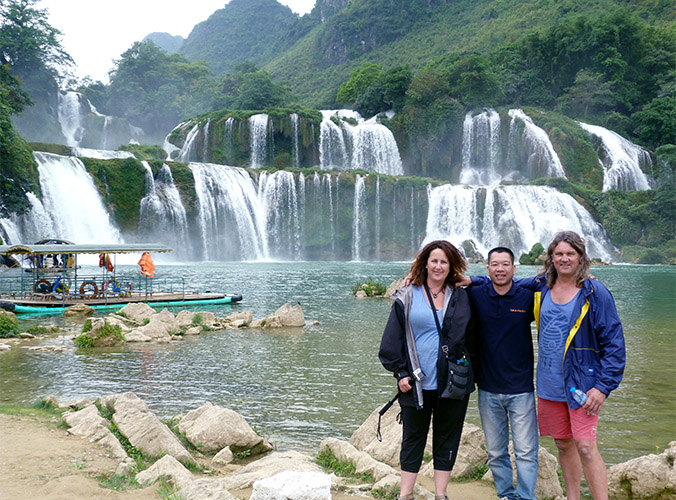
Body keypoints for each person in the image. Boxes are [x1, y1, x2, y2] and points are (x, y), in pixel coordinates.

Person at [522, 231, 625, 500]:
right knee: (564, 444)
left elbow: (614, 343)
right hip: (549, 382)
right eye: (559, 254)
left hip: (583, 385)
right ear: (551, 258)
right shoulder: (540, 286)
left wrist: (602, 387)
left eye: (570, 253)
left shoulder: (595, 292)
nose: (564, 259)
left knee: (586, 446)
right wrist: (469, 280)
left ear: (581, 257)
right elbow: (503, 284)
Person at [379, 240, 476, 500]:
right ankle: (405, 494)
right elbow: (392, 340)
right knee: (412, 439)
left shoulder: (462, 294)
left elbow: (475, 335)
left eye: (444, 261)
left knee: (447, 438)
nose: (438, 266)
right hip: (415, 383)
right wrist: (400, 372)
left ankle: (441, 494)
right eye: (434, 260)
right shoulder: (408, 295)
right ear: (425, 263)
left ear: (451, 265)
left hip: (452, 383)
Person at [464, 247, 539, 500]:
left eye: (505, 264)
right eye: (494, 264)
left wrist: (587, 279)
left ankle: (527, 497)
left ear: (514, 269)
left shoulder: (526, 296)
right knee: (496, 452)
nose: (500, 269)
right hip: (487, 388)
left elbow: (551, 280)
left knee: (526, 451)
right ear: (487, 269)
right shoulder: (476, 293)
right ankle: (506, 495)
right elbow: (442, 282)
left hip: (521, 389)